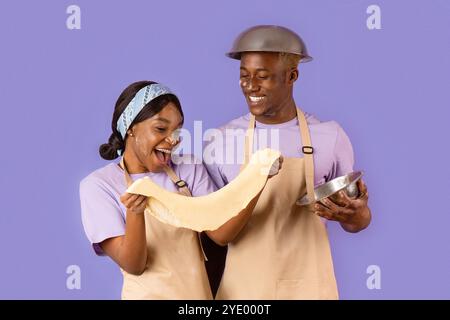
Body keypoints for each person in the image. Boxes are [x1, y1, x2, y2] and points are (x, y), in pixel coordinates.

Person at [203, 25, 372, 299]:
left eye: (263, 76)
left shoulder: (330, 136)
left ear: (292, 75)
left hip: (311, 287)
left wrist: (357, 215)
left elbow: (357, 219)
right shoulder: (220, 140)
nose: (250, 86)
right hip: (244, 292)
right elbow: (212, 230)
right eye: (244, 76)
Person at [79, 80, 270, 299]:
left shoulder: (188, 168)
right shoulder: (100, 185)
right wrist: (135, 212)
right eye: (161, 128)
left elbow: (221, 234)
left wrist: (258, 179)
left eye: (178, 130)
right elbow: (134, 265)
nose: (173, 140)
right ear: (131, 129)